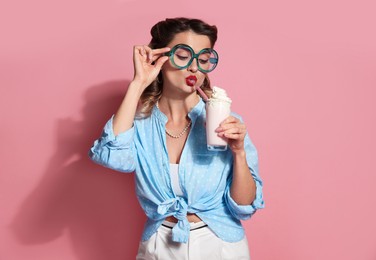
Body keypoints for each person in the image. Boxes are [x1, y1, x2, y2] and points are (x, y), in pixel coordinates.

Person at [89, 17, 264, 259]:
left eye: (203, 60)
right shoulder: (139, 123)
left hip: (219, 244)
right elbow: (114, 158)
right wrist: (138, 82)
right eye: (184, 56)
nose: (195, 68)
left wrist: (239, 152)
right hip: (160, 244)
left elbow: (244, 207)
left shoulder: (225, 122)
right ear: (161, 58)